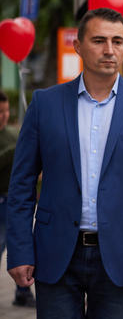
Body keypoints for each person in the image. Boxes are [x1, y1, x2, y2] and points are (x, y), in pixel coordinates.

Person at [6, 8, 123, 317]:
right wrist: (18, 250)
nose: (109, 50)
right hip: (55, 252)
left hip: (120, 255)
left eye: (118, 41)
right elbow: (21, 186)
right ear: (79, 46)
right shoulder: (44, 104)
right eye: (99, 40)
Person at [0, 91, 36, 308]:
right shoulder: (14, 141)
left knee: (22, 244)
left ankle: (23, 291)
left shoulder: (14, 133)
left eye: (6, 111)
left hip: (13, 202)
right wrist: (16, 149)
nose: (4, 115)